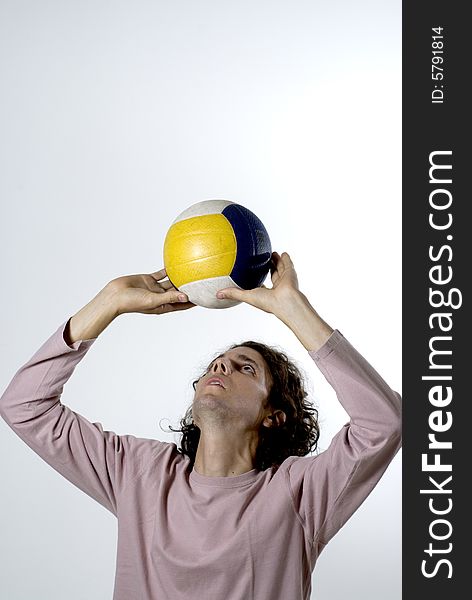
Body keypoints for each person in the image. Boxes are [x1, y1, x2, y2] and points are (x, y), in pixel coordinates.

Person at [0, 251, 402, 600]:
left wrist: (292, 307)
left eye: (245, 368)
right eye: (215, 364)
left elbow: (384, 423)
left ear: (273, 415)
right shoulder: (140, 474)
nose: (222, 365)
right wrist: (109, 302)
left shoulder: (299, 494)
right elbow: (24, 406)